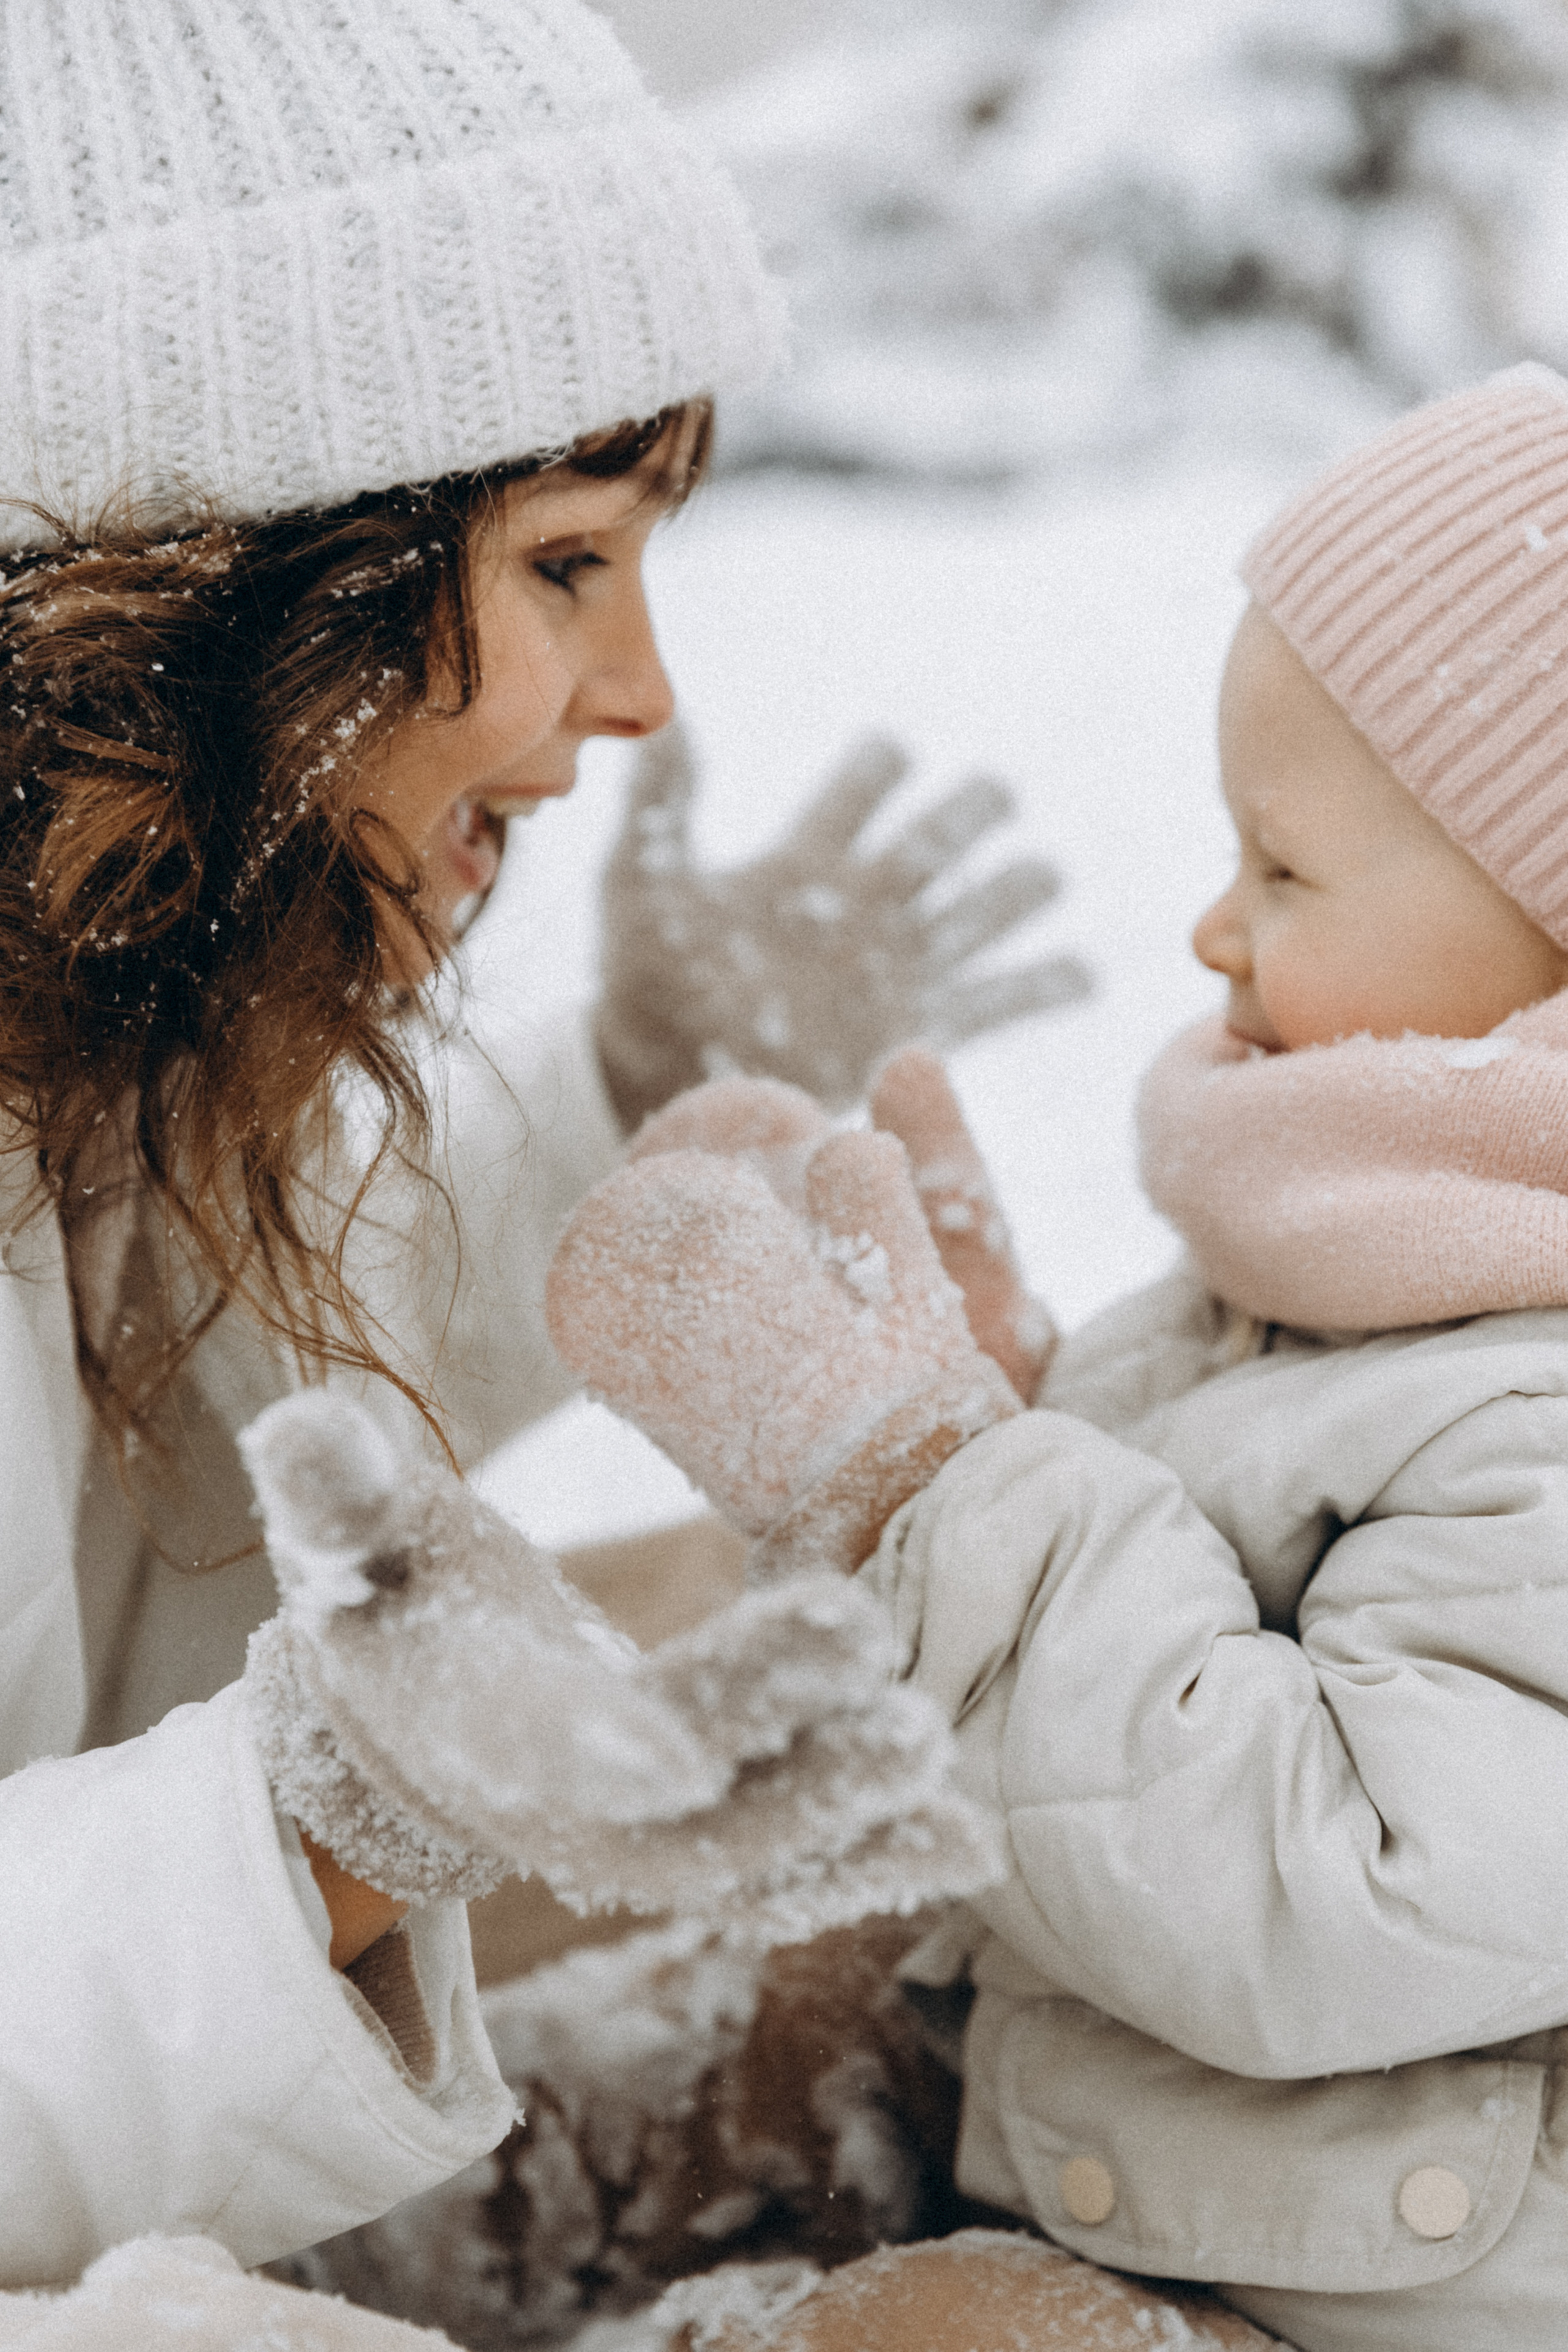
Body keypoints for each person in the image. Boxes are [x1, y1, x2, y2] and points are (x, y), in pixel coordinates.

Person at [0, 0, 1083, 2301]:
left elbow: (200, 1415)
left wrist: (624, 1081)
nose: (644, 691)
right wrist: (323, 1831)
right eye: (571, 563)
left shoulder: (103, 1030)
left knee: (822, 1648)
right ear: (255, 586)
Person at [546, 363, 1568, 2352]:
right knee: (712, 2028)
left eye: (1282, 868)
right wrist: (996, 1408)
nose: (1214, 927)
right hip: (1145, 2148)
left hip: (1374, 2301)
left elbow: (1336, 1900)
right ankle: (323, 2250)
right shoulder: (1329, 1259)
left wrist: (931, 1481)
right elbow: (1135, 1663)